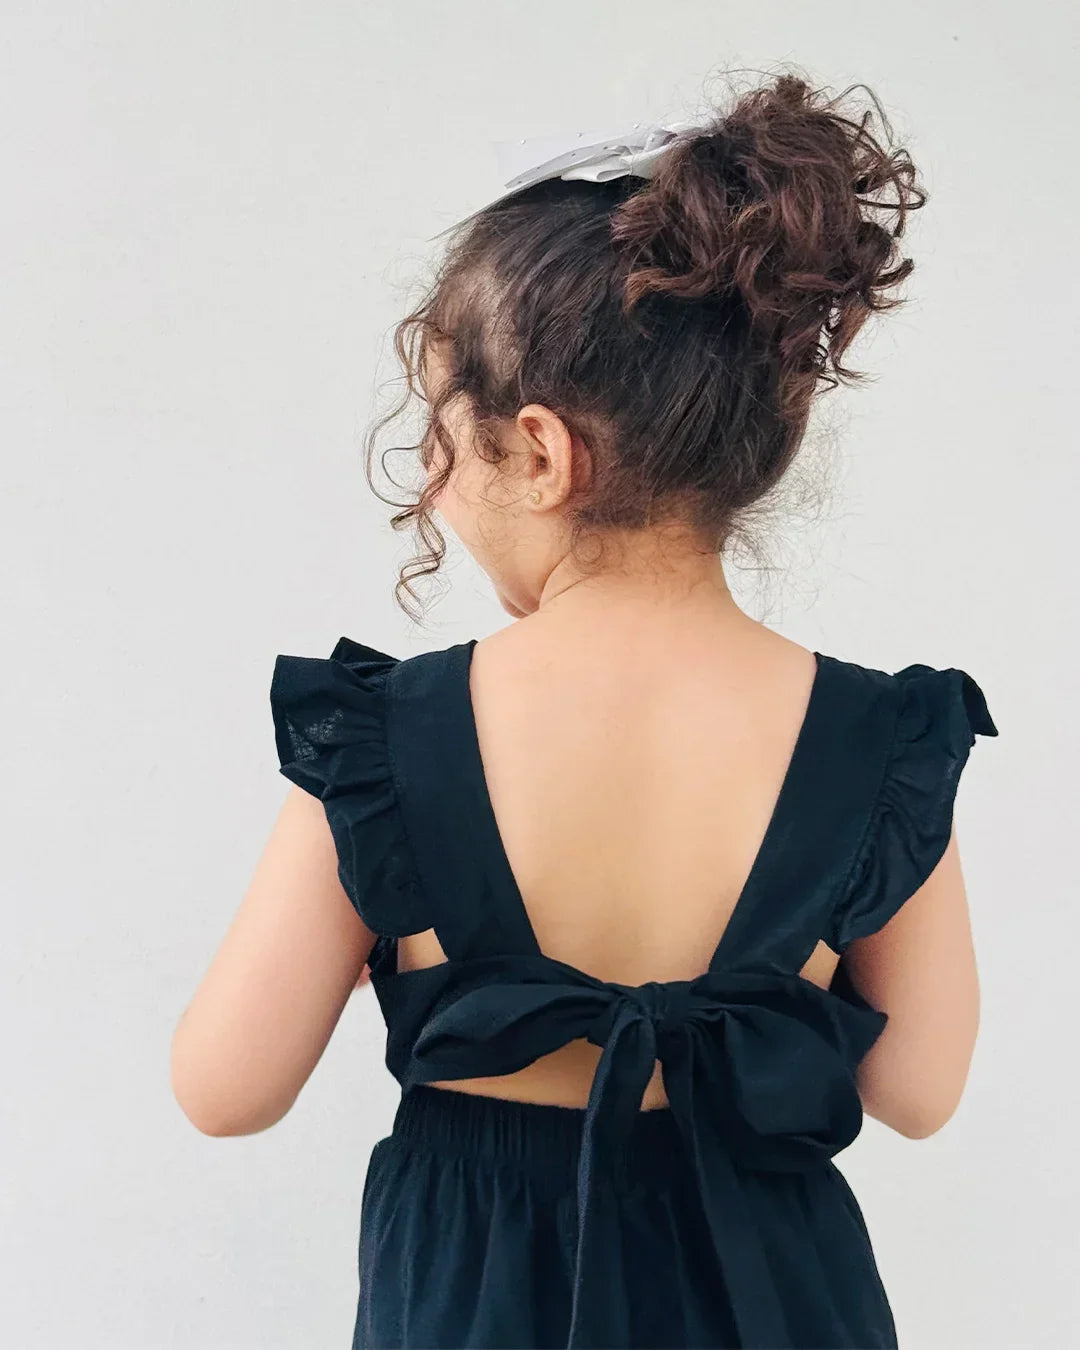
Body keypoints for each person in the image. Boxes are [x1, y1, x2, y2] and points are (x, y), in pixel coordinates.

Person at [171, 72, 998, 1349]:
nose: (435, 486)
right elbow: (919, 1089)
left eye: (443, 438)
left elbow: (225, 1089)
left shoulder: (385, 742)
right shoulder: (880, 739)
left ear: (544, 453)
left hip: (481, 1297)